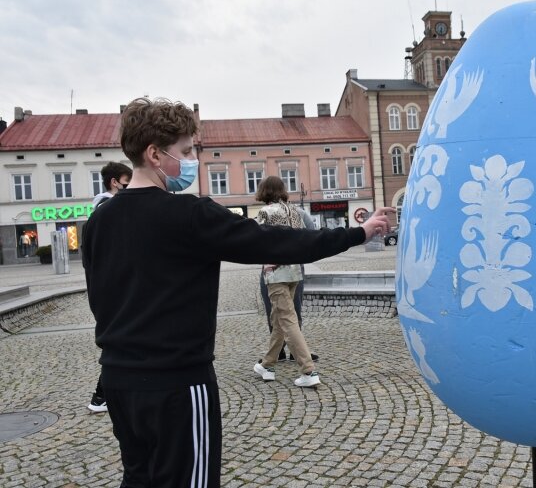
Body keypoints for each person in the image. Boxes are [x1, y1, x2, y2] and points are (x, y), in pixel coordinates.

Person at [81, 97, 393, 486]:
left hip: (119, 380)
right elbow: (280, 243)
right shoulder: (190, 215)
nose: (193, 160)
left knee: (139, 478)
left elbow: (100, 301)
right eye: (186, 150)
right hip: (177, 383)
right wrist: (358, 233)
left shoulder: (98, 222)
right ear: (154, 155)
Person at [253, 177, 319, 386]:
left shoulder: (266, 212)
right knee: (278, 319)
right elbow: (305, 238)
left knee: (287, 320)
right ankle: (268, 364)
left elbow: (256, 241)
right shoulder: (294, 211)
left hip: (276, 274)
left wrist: (268, 260)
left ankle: (308, 371)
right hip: (294, 272)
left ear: (264, 192)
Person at [87, 161, 132, 414]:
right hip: (114, 290)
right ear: (115, 182)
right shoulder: (109, 209)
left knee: (119, 343)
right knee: (118, 344)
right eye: (126, 182)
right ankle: (100, 397)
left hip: (109, 289)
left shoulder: (102, 208)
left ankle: (104, 395)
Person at [258, 202, 316, 362]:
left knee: (281, 313)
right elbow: (310, 235)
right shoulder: (298, 212)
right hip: (293, 268)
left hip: (275, 270)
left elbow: (257, 240)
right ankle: (276, 355)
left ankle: (300, 359)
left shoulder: (266, 212)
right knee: (286, 313)